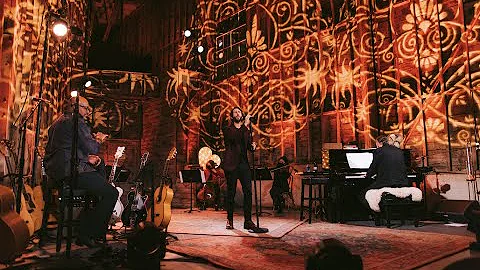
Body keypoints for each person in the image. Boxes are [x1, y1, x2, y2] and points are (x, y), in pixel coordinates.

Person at [44, 95, 118, 247]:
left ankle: (91, 228)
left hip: (57, 172)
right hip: (71, 173)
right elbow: (92, 148)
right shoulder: (76, 121)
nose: (88, 112)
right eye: (86, 108)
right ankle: (89, 233)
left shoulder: (57, 122)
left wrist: (85, 158)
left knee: (99, 171)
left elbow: (66, 149)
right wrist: (98, 139)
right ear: (75, 107)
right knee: (111, 193)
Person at [222, 106, 258, 230]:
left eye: (239, 112)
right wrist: (246, 125)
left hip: (243, 164)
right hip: (231, 165)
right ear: (232, 117)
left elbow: (247, 146)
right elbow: (234, 138)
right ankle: (229, 220)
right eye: (235, 112)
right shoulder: (227, 129)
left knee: (248, 192)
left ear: (242, 115)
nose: (237, 113)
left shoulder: (246, 130)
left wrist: (252, 146)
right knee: (231, 193)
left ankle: (247, 221)